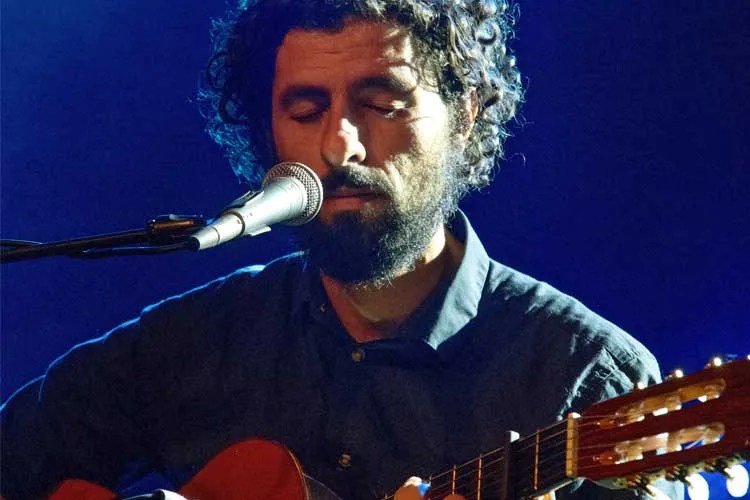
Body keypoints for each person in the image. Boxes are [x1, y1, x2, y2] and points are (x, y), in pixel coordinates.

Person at [1, 1, 681, 499]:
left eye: (380, 101)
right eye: (304, 110)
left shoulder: (584, 376)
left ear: (464, 115)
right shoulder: (191, 343)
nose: (339, 146)